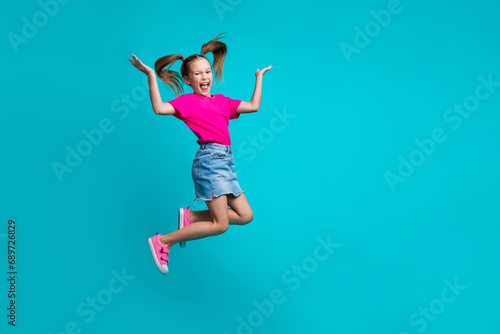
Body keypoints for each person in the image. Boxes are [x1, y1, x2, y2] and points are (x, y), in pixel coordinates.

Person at [128, 32, 273, 274]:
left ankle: (192, 217)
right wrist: (151, 76)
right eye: (197, 73)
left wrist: (259, 78)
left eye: (207, 71)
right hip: (210, 162)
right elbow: (159, 108)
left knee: (246, 215)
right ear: (187, 79)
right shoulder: (187, 102)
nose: (204, 77)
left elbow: (254, 106)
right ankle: (163, 241)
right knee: (220, 225)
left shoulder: (223, 101)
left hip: (225, 161)